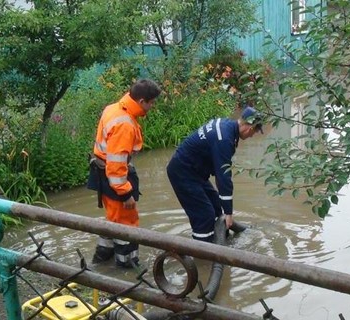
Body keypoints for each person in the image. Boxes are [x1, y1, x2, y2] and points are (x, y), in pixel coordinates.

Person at [87, 79, 161, 268]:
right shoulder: (125, 125)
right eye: (151, 102)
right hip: (114, 179)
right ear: (142, 101)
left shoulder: (113, 109)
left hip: (103, 174)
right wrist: (126, 193)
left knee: (113, 219)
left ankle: (102, 260)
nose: (152, 106)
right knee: (127, 223)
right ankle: (126, 267)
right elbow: (116, 165)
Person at [166, 106, 264, 243]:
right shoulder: (224, 139)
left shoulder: (227, 126)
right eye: (254, 132)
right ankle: (203, 256)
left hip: (196, 171)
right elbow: (223, 176)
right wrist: (229, 213)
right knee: (204, 215)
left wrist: (225, 211)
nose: (252, 136)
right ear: (250, 127)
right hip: (183, 172)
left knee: (217, 207)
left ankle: (220, 243)